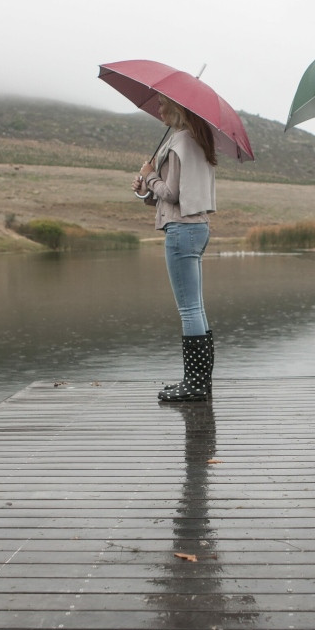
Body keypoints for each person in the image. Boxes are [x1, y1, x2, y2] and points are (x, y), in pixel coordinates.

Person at [132, 95, 218, 402]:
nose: (158, 109)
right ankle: (201, 382)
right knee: (197, 306)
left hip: (181, 230)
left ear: (178, 108)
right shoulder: (198, 141)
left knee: (189, 308)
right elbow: (175, 194)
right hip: (198, 226)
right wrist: (146, 191)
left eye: (163, 104)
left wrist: (150, 175)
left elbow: (171, 191)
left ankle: (194, 384)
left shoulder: (179, 143)